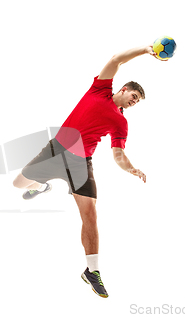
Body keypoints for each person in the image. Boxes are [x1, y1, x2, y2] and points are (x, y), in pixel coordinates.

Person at [13, 44, 159, 298]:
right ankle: (41, 186)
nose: (134, 102)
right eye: (134, 96)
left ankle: (92, 271)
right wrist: (147, 50)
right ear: (123, 89)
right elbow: (116, 59)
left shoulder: (121, 122)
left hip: (81, 163)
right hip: (55, 151)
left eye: (137, 102)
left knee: (90, 215)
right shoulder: (100, 90)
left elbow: (118, 155)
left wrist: (132, 169)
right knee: (18, 184)